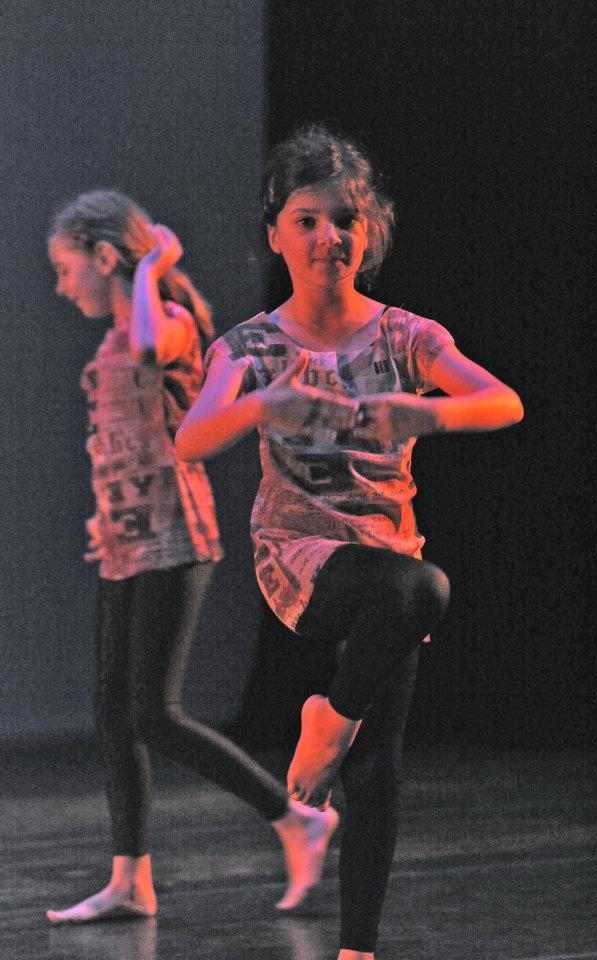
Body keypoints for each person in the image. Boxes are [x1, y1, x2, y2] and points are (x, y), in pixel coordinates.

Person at [175, 126, 524, 960]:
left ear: (368, 232)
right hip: (300, 561)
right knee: (421, 587)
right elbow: (192, 438)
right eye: (306, 220)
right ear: (276, 233)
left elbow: (503, 400)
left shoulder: (406, 336)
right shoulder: (253, 346)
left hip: (384, 561)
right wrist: (261, 404)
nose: (327, 236)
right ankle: (324, 722)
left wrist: (422, 413)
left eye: (344, 219)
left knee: (378, 765)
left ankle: (356, 950)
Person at [45, 189, 339, 925]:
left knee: (154, 713)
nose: (61, 286)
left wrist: (152, 270)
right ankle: (130, 881)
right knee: (115, 712)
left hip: (175, 539)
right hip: (126, 543)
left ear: (104, 258)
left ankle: (294, 817)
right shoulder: (110, 344)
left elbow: (150, 348)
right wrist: (106, 516)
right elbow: (122, 446)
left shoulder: (166, 322)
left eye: (66, 269)